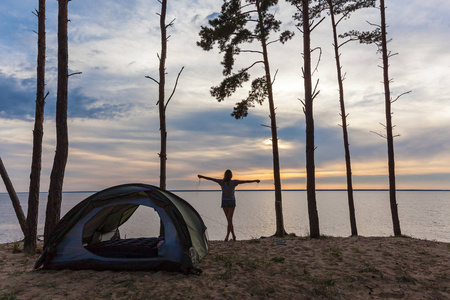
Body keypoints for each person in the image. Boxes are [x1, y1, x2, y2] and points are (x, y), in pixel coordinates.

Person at [198, 170, 260, 241]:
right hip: (229, 201)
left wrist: (202, 176)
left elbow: (211, 179)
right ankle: (233, 236)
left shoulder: (224, 182)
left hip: (227, 202)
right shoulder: (230, 182)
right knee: (229, 220)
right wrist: (255, 180)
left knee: (229, 219)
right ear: (231, 176)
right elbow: (245, 181)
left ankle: (227, 236)